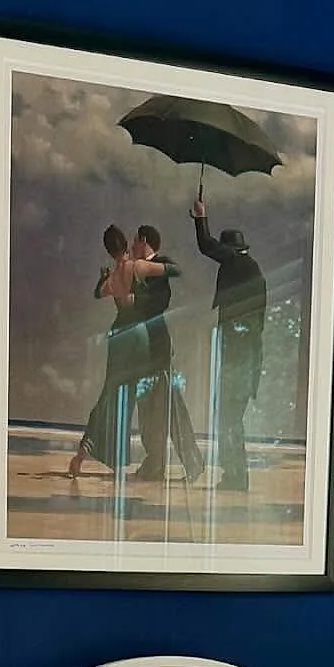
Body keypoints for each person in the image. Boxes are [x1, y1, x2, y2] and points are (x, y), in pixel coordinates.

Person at [191, 196, 267, 491]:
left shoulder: (237, 263)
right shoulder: (252, 270)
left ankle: (236, 477)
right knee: (231, 418)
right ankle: (235, 475)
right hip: (245, 359)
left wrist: (201, 217)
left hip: (239, 359)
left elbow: (207, 246)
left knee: (229, 418)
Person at [67, 226, 146, 480]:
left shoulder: (113, 275)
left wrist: (103, 279)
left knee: (109, 393)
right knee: (127, 396)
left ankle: (85, 451)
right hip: (134, 337)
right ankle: (114, 457)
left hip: (119, 335)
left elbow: (98, 293)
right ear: (125, 244)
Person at [128, 225, 204, 483]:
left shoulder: (159, 266)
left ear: (145, 241)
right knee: (152, 408)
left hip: (155, 347)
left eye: (135, 240)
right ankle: (157, 463)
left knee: (166, 408)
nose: (132, 245)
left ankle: (182, 463)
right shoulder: (138, 270)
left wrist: (140, 274)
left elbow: (154, 300)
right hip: (144, 348)